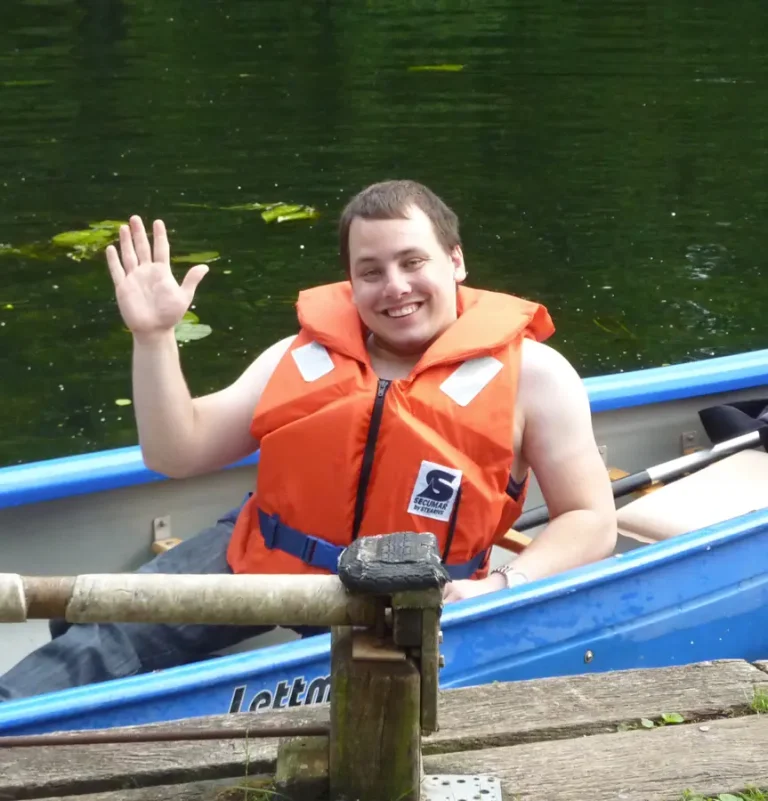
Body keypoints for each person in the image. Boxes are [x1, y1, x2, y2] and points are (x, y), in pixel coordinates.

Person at [0, 179, 616, 700]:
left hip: (408, 594)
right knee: (98, 637)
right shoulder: (300, 356)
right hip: (263, 556)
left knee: (374, 708)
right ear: (349, 283)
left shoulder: (536, 375)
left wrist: (505, 585)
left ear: (454, 260)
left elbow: (590, 519)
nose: (394, 287)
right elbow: (175, 451)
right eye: (369, 272)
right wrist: (154, 338)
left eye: (412, 262)